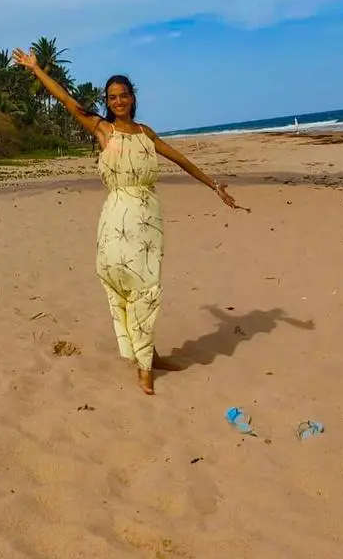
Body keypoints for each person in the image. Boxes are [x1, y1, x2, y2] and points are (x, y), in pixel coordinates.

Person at [12, 49, 238, 395]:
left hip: (148, 218)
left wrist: (214, 185)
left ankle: (150, 355)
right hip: (117, 216)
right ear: (107, 101)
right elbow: (66, 100)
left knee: (147, 284)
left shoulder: (145, 133)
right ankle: (144, 366)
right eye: (111, 97)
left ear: (133, 98)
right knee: (123, 283)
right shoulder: (102, 129)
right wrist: (36, 69)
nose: (118, 101)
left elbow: (181, 160)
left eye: (123, 96)